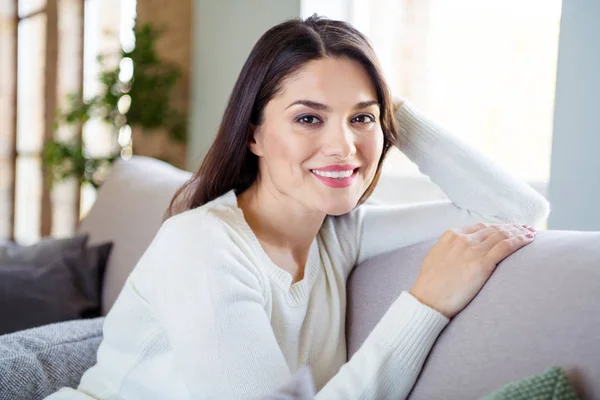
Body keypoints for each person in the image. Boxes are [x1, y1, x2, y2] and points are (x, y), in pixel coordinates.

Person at [46, 15, 550, 400]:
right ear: (254, 135)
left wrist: (388, 106)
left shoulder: (340, 232)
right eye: (309, 118)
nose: (344, 147)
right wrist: (425, 304)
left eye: (361, 119)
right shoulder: (201, 245)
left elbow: (518, 212)